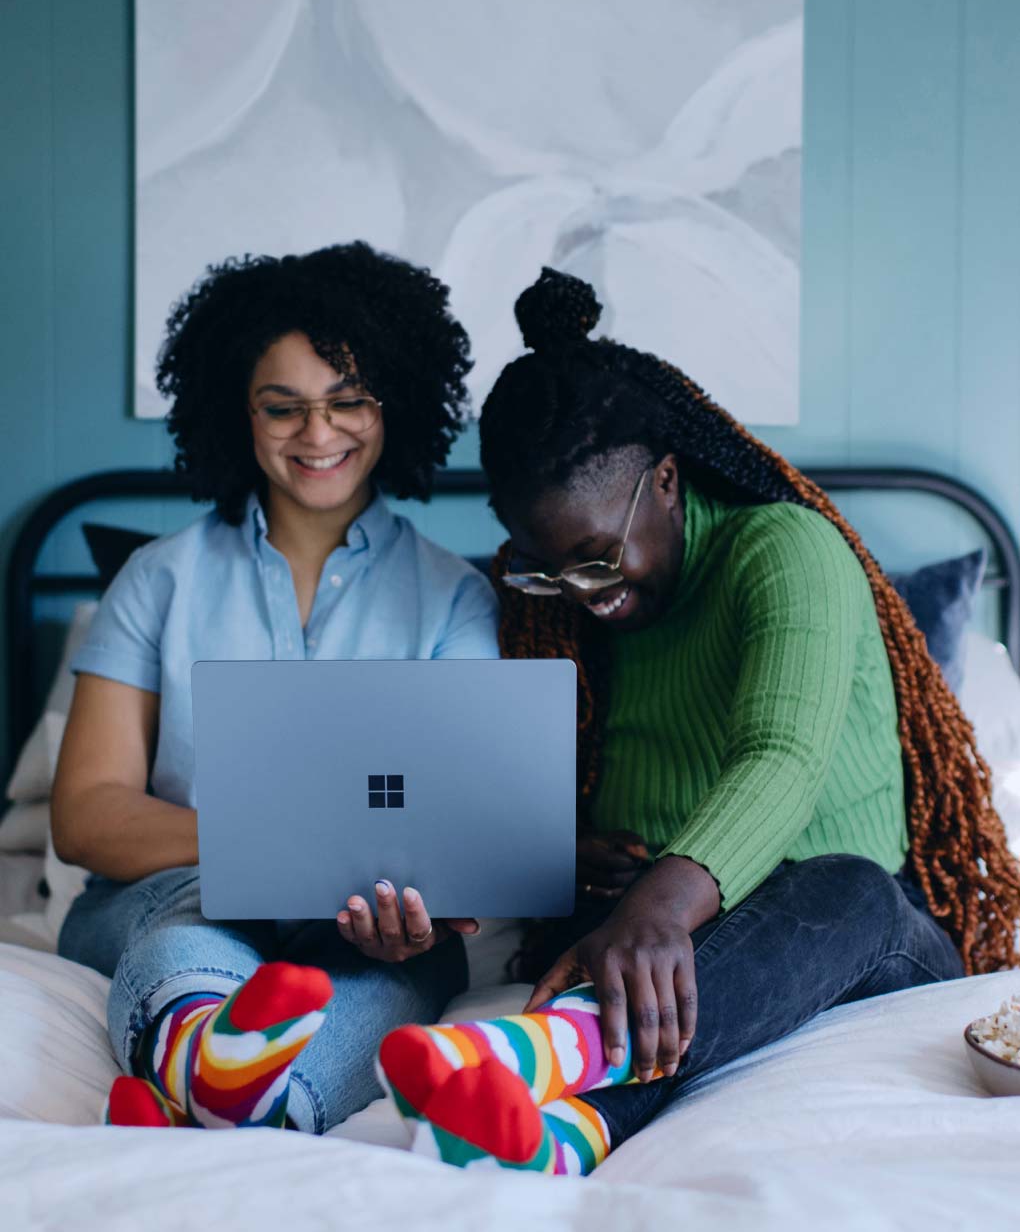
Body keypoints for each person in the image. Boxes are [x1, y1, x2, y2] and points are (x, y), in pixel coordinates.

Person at [375, 266, 1020, 1176]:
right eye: (545, 569)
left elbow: (780, 759)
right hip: (686, 937)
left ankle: (546, 1058)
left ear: (667, 481)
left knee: (849, 885)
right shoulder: (565, 608)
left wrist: (660, 905)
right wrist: (569, 854)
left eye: (598, 561)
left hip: (860, 934)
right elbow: (529, 785)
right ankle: (566, 1137)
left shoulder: (788, 552)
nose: (580, 597)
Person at [52, 242, 498, 1133]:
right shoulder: (157, 579)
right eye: (282, 407)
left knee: (402, 970)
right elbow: (85, 816)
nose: (319, 434)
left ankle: (226, 1095)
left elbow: (462, 828)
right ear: (238, 413)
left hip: (363, 922)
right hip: (179, 889)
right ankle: (226, 1077)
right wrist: (262, 854)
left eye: (348, 402)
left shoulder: (453, 596)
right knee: (189, 919)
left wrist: (409, 907)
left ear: (393, 405)